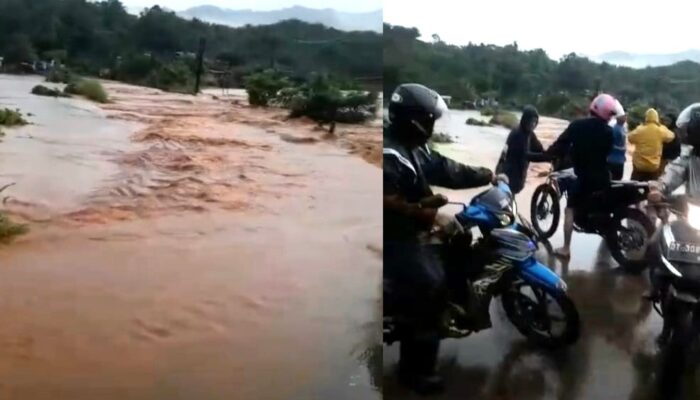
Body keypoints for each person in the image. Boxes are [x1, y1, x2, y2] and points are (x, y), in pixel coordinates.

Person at [384, 83, 493, 395]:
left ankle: (456, 299)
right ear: (415, 120)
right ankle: (413, 372)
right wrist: (427, 215)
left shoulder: (414, 146)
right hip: (395, 234)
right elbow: (385, 202)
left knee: (460, 240)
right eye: (430, 120)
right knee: (428, 287)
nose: (433, 126)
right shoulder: (390, 153)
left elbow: (445, 168)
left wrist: (486, 175)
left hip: (414, 224)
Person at [647, 104, 700, 347]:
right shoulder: (690, 155)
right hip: (691, 215)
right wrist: (659, 188)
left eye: (688, 130)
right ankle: (658, 286)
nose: (685, 134)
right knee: (655, 243)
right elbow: (674, 170)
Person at [545, 93, 618, 258]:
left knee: (569, 208)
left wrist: (546, 153)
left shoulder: (577, 126)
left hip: (584, 177)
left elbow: (560, 145)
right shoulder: (609, 132)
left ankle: (565, 248)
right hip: (604, 178)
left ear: (594, 107)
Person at [496, 105, 550, 194]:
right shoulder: (518, 134)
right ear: (525, 120)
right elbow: (526, 156)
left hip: (515, 175)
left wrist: (552, 155)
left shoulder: (529, 134)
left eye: (535, 122)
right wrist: (547, 158)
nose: (533, 124)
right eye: (531, 121)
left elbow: (539, 149)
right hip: (506, 175)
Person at [628, 108, 675, 182]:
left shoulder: (640, 129)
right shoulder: (661, 130)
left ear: (646, 117)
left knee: (633, 187)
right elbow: (671, 136)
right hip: (653, 167)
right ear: (657, 118)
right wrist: (662, 126)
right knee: (652, 188)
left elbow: (630, 138)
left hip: (639, 166)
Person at [607, 102, 627, 180]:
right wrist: (620, 148)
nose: (625, 118)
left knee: (618, 179)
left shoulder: (622, 128)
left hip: (620, 159)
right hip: (613, 159)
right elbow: (611, 144)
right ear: (618, 118)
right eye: (623, 116)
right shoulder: (615, 129)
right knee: (614, 180)